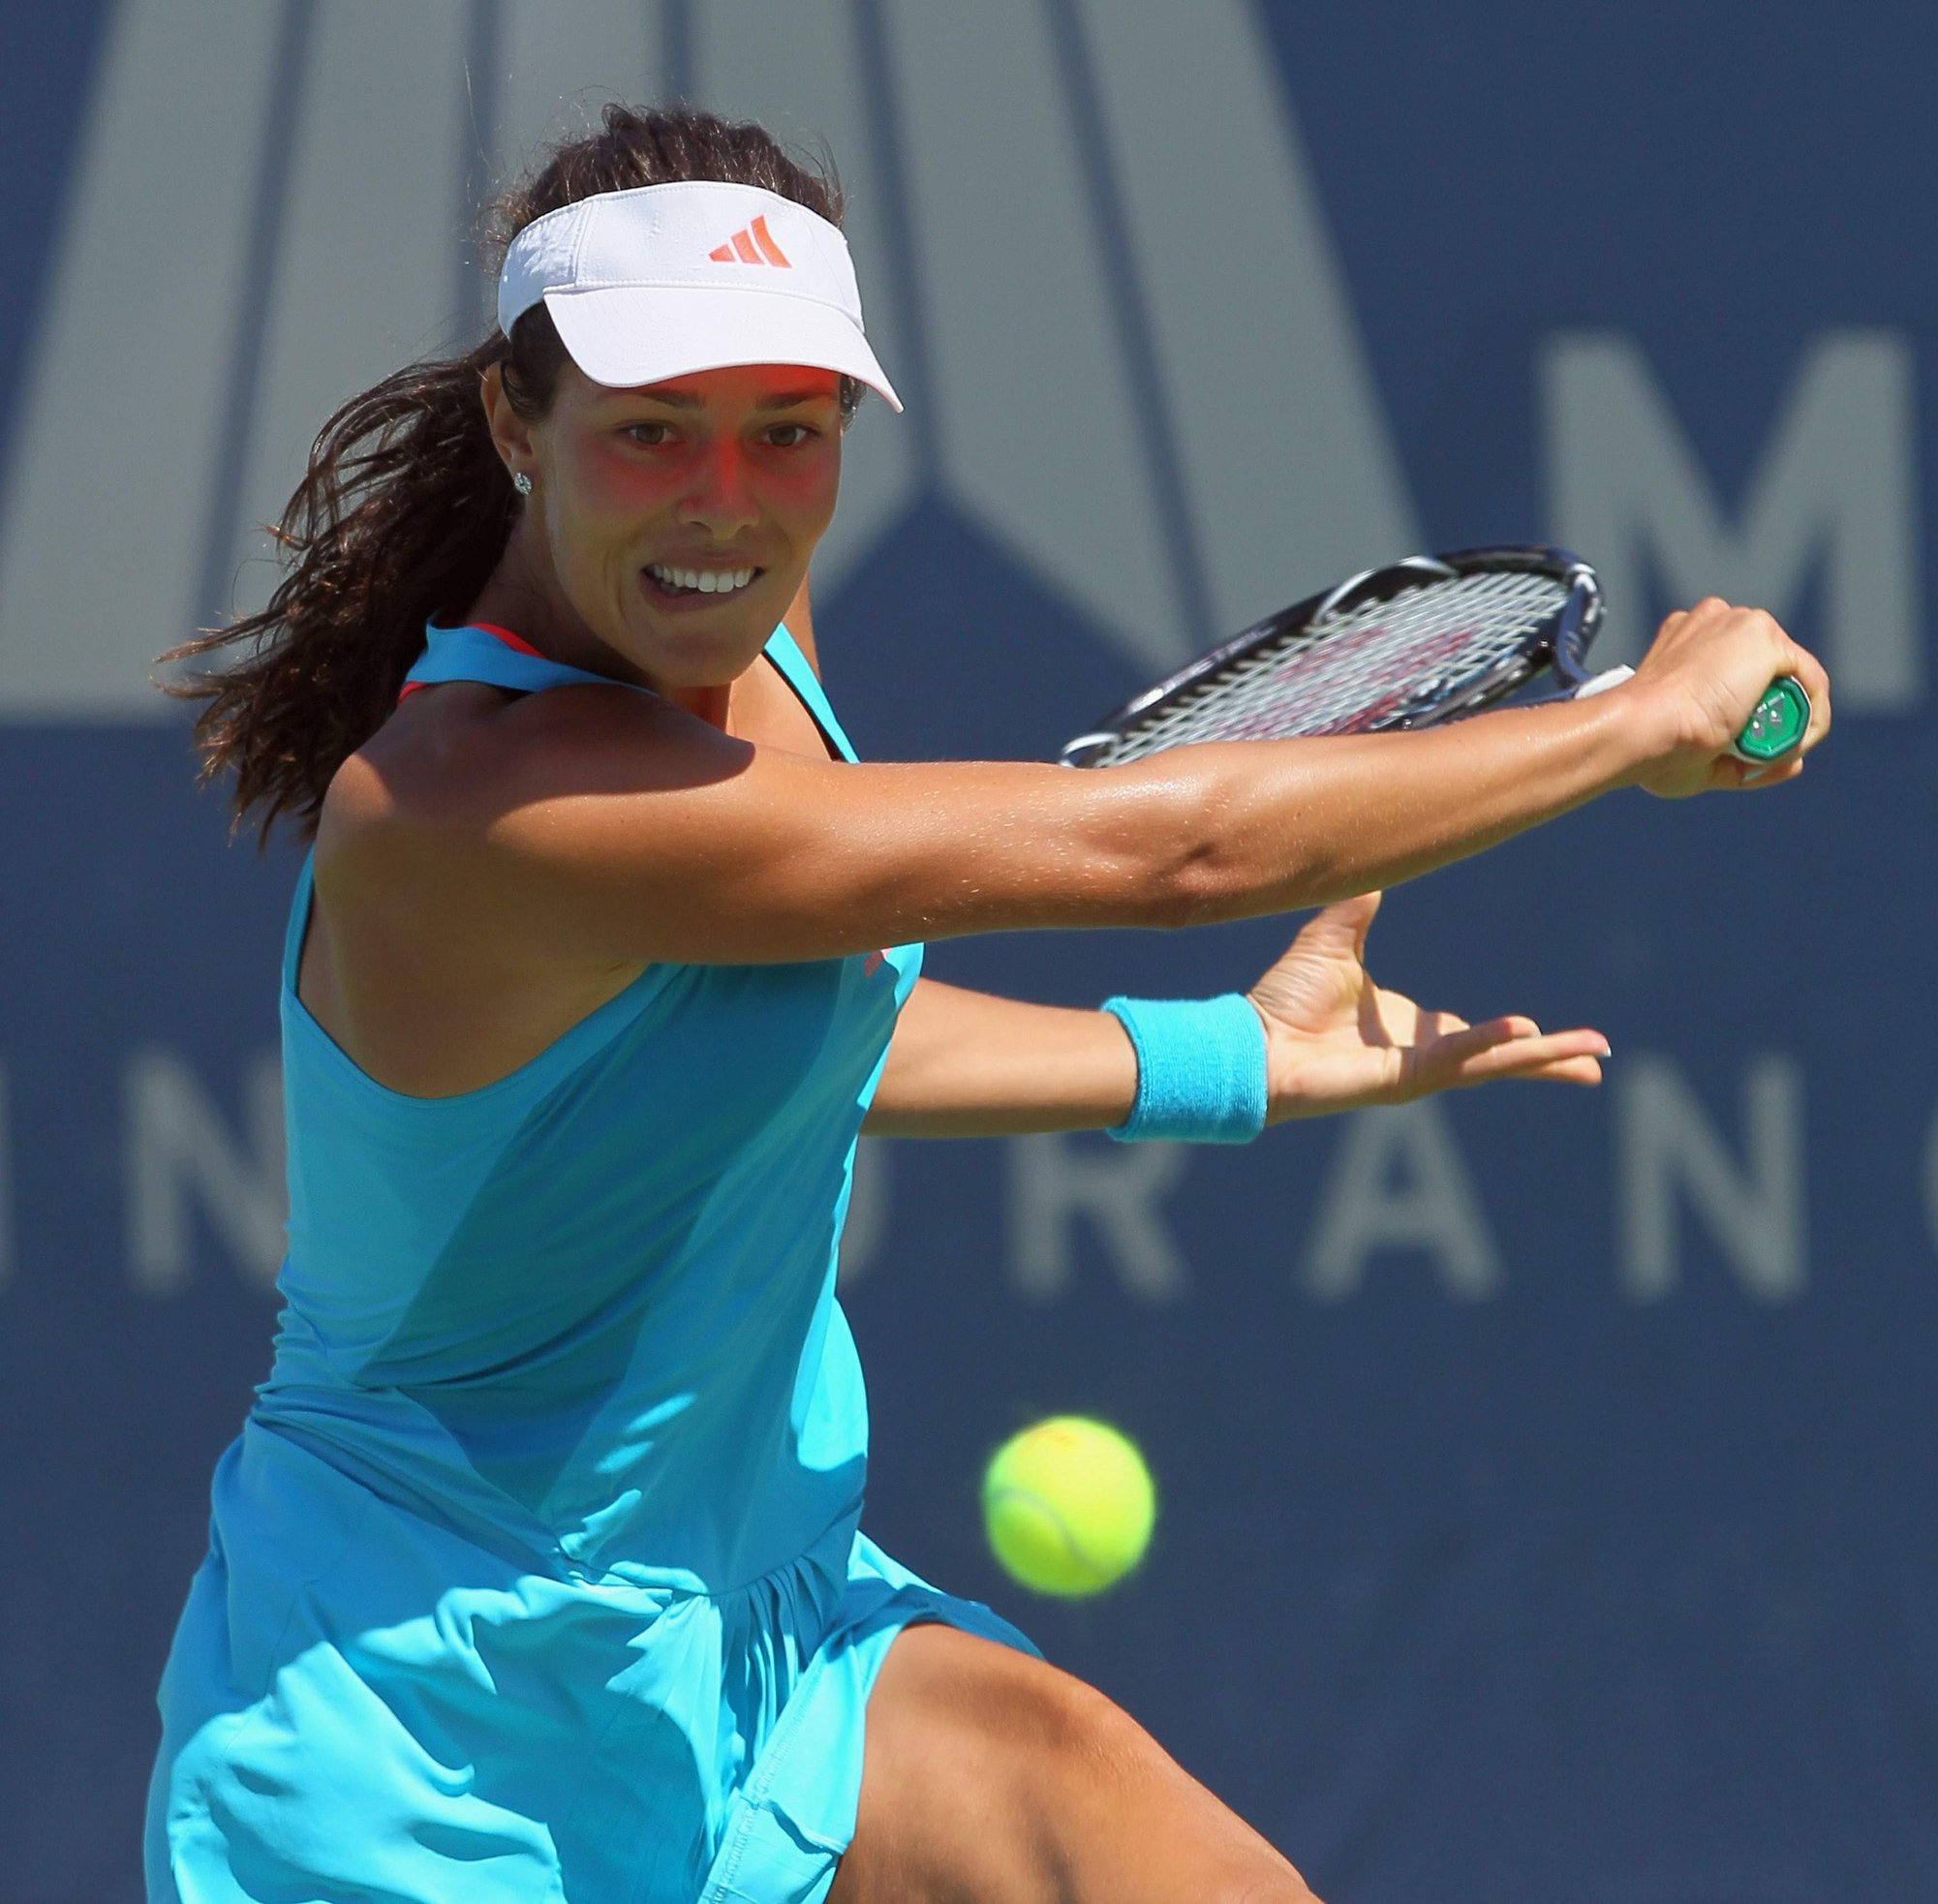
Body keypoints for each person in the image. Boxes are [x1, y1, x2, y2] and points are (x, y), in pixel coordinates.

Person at [143, 104, 1829, 1904]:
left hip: (773, 1648)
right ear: (516, 421)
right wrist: (1618, 728)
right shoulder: (460, 808)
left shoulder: (739, 652)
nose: (725, 500)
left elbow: (774, 1048)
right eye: (650, 433)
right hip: (419, 1745)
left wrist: (1220, 1059)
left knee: (1115, 1815)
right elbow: (1173, 854)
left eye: (787, 434)